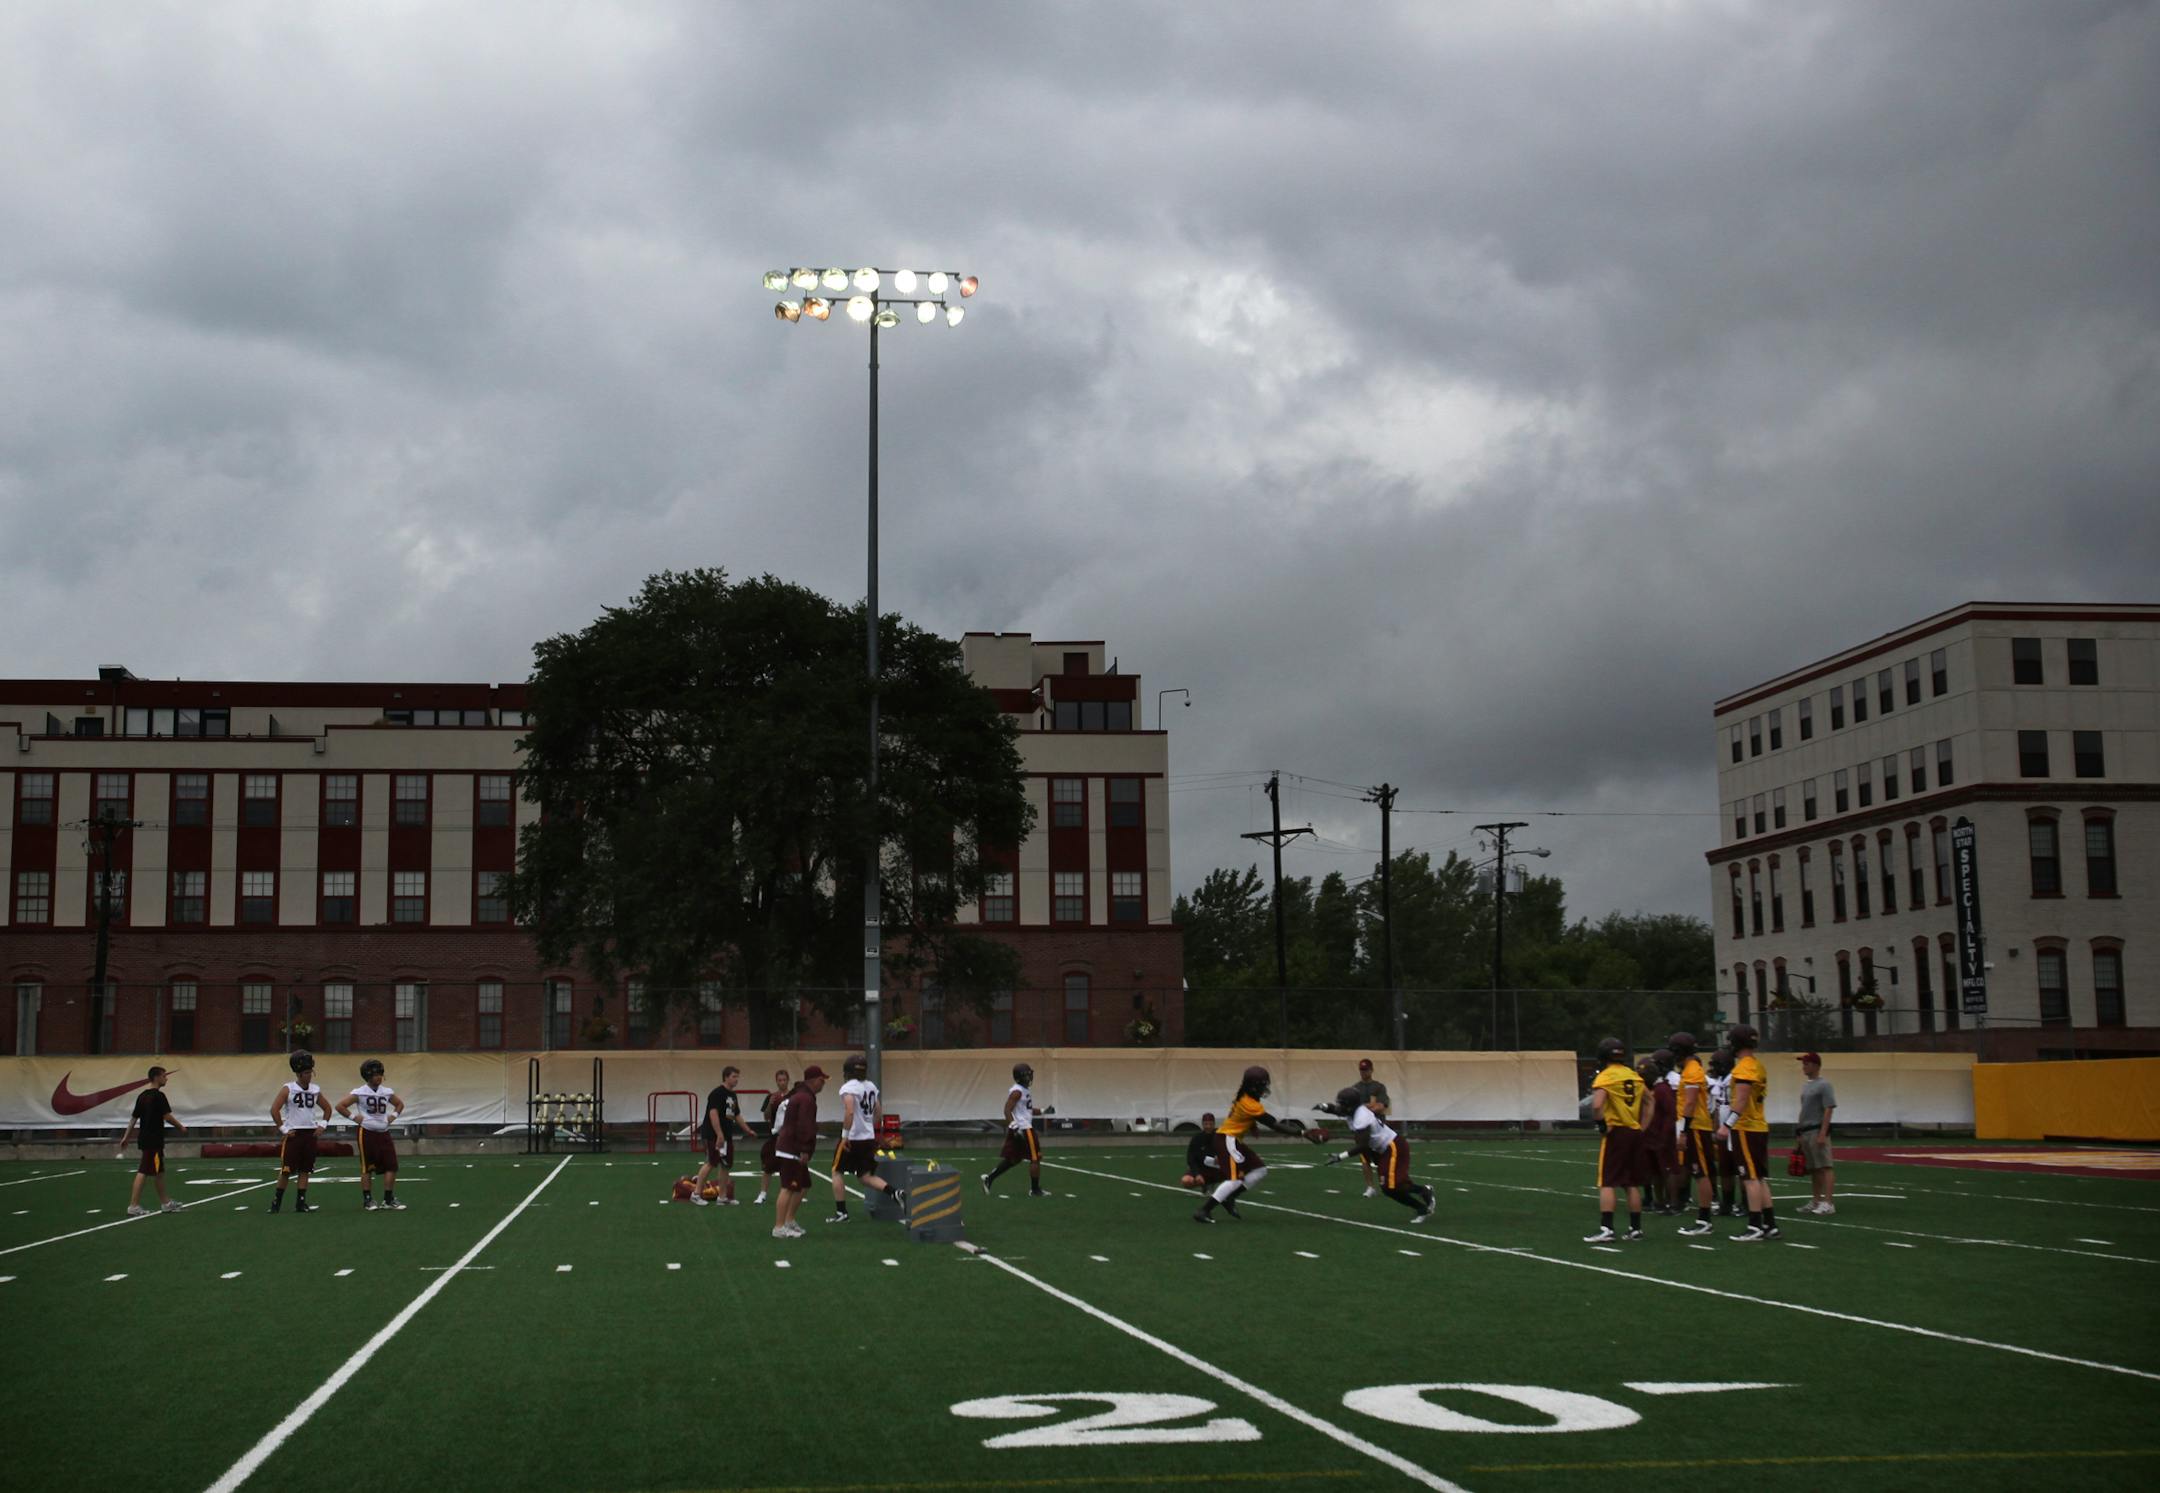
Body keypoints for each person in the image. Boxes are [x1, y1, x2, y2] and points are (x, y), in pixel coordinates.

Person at [1194, 1065, 1324, 1223]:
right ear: (1254, 1086)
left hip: (1232, 1139)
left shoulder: (1246, 1097)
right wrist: (1303, 1133)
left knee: (1260, 1170)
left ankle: (1230, 1198)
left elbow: (1245, 1117)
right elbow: (1274, 1124)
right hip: (1227, 1139)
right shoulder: (1250, 1104)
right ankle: (1204, 1210)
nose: (1265, 1088)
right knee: (1234, 1180)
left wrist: (1252, 1125)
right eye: (1263, 1085)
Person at [1716, 1024, 1779, 1241]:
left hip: (1747, 1127)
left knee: (1750, 1178)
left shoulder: (1744, 1067)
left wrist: (1727, 1125)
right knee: (1759, 1178)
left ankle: (1755, 1226)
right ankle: (1770, 1224)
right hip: (1758, 1125)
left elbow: (1741, 1099)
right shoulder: (1757, 1065)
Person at [1583, 1037, 1647, 1244]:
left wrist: (1602, 1126)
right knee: (1631, 1183)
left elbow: (1596, 1105)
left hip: (1617, 1132)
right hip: (1634, 1131)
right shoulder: (1634, 1076)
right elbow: (1650, 1101)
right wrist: (1642, 1126)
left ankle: (1607, 1228)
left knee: (1608, 1181)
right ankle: (1636, 1228)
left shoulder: (1606, 1077)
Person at [826, 1055, 902, 1221]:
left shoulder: (848, 1087)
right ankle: (894, 1192)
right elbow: (878, 1114)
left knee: (837, 1171)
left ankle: (841, 1212)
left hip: (852, 1137)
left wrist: (845, 1136)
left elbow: (850, 1112)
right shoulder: (871, 1086)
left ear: (847, 1071)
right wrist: (868, 1126)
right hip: (868, 1137)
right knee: (865, 1176)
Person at [335, 1059, 406, 1210]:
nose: (379, 1077)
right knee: (367, 1167)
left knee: (391, 1165)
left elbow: (399, 1104)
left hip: (384, 1131)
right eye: (375, 1074)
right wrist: (355, 1118)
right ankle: (368, 1199)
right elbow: (340, 1106)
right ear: (367, 1076)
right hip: (367, 1131)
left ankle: (388, 1199)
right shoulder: (359, 1092)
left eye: (380, 1073)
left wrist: (392, 1116)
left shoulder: (386, 1091)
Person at [1315, 1058, 1388, 1197]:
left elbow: (1380, 1106)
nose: (1363, 1072)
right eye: (1361, 1069)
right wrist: (1367, 1106)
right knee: (1364, 1156)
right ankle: (1370, 1187)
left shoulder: (1378, 1087)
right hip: (1360, 1126)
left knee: (1380, 1159)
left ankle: (1385, 1182)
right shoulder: (1356, 1088)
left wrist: (1362, 1107)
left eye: (1366, 1069)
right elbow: (1350, 1107)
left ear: (1372, 1070)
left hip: (1377, 1127)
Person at [269, 1050, 331, 1215]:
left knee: (305, 1169)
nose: (309, 1076)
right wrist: (283, 1128)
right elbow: (274, 1109)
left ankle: (301, 1202)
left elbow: (327, 1108)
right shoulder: (288, 1088)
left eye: (310, 1072)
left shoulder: (315, 1090)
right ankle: (276, 1203)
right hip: (294, 1134)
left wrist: (323, 1125)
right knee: (286, 1170)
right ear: (298, 1073)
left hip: (310, 1134)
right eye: (305, 1073)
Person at [118, 1065, 184, 1216]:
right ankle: (133, 1205)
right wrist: (181, 1127)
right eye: (164, 1076)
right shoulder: (158, 1096)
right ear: (156, 1077)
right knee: (144, 1170)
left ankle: (166, 1203)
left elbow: (134, 1118)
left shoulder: (142, 1096)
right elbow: (167, 1116)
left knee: (159, 1171)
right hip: (152, 1140)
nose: (166, 1078)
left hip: (148, 1139)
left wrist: (126, 1137)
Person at [769, 1066, 826, 1240]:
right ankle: (779, 1227)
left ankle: (789, 1220)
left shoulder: (798, 1094)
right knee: (788, 1187)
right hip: (791, 1148)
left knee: (804, 1184)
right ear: (813, 1080)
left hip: (789, 1145)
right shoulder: (806, 1098)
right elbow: (804, 1125)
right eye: (821, 1080)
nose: (823, 1084)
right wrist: (805, 1149)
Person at [1360, 1093, 1436, 1222]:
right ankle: (1423, 1193)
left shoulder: (1363, 1115)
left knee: (1391, 1186)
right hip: (1379, 1149)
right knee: (1391, 1187)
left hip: (1391, 1145)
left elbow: (1381, 1106)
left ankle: (1422, 1202)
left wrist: (1341, 1156)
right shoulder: (1353, 1116)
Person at [1671, 1032, 1718, 1236]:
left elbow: (1690, 1102)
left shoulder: (1692, 1071)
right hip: (1696, 1126)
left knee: (1701, 1173)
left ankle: (1704, 1219)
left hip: (1696, 1127)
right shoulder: (1691, 1070)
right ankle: (1704, 1218)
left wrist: (1684, 1131)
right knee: (1699, 1173)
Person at [981, 1062, 1050, 1198]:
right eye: (1028, 1074)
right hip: (1024, 1129)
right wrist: (1014, 1126)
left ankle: (989, 1178)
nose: (1030, 1076)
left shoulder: (1022, 1090)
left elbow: (1027, 1110)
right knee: (1035, 1159)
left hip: (1020, 1128)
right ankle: (1035, 1190)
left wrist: (1043, 1110)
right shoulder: (1017, 1091)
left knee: (1013, 1159)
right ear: (1021, 1077)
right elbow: (1007, 1109)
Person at [691, 1065, 757, 1206]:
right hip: (713, 1134)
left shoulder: (732, 1095)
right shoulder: (717, 1093)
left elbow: (736, 1114)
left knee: (726, 1164)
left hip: (726, 1135)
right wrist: (719, 1135)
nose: (736, 1080)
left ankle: (722, 1196)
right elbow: (713, 1114)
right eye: (734, 1077)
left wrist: (747, 1129)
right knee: (711, 1162)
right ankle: (696, 1194)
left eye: (737, 1077)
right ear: (726, 1077)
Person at [1795, 1051, 1837, 1215]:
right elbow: (1803, 1109)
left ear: (1816, 1065)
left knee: (1825, 1166)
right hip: (1806, 1131)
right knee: (1813, 1168)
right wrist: (1798, 1131)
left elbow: (1829, 1108)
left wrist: (1823, 1132)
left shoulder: (1824, 1085)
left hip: (1817, 1129)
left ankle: (1828, 1202)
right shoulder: (1806, 1085)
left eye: (1806, 1063)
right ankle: (1816, 1200)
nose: (1804, 1066)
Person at [1639, 1051, 1680, 1214]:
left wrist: (1664, 1136)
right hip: (1649, 1136)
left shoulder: (1662, 1089)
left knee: (1668, 1170)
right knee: (1654, 1171)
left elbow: (1671, 1114)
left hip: (1662, 1138)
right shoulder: (1647, 1090)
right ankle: (1659, 1201)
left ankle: (1673, 1203)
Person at [1706, 1049, 1740, 1217]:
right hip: (1723, 1128)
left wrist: (1727, 1125)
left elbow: (1736, 1106)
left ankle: (1746, 1203)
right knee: (1725, 1168)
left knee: (1740, 1168)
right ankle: (1728, 1202)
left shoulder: (1733, 1079)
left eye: (1716, 1065)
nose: (1714, 1068)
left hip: (1735, 1127)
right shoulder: (1721, 1081)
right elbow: (1719, 1107)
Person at [753, 1067, 790, 1207]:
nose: (782, 1082)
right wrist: (770, 1104)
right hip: (774, 1136)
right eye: (779, 1080)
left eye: (784, 1080)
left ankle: (788, 1192)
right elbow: (766, 1116)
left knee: (787, 1167)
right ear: (776, 1081)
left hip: (788, 1137)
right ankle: (762, 1194)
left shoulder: (793, 1096)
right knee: (768, 1166)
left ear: (788, 1080)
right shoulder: (771, 1097)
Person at [1182, 1112, 1219, 1189]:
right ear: (1202, 1124)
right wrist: (1197, 1174)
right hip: (1202, 1168)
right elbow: (1191, 1159)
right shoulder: (1197, 1138)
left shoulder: (1221, 1136)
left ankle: (1217, 1184)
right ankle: (1205, 1184)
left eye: (1210, 1124)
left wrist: (1220, 1155)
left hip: (1218, 1167)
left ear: (1214, 1124)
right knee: (1186, 1181)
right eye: (1206, 1124)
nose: (1208, 1126)